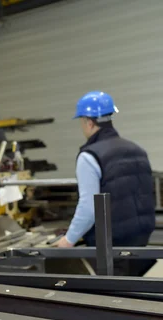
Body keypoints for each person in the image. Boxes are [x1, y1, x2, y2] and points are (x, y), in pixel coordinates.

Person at [56, 91, 156, 276]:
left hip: (111, 246)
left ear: (89, 121)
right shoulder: (137, 150)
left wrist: (68, 240)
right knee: (135, 291)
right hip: (141, 238)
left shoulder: (89, 156)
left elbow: (89, 207)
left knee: (113, 297)